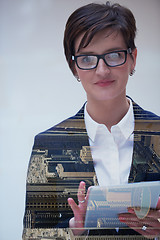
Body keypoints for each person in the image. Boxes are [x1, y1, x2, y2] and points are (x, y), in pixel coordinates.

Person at [23, 1, 160, 239]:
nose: (102, 70)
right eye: (87, 59)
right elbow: (30, 235)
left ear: (132, 58)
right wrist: (75, 230)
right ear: (74, 67)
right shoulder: (48, 144)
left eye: (114, 55)